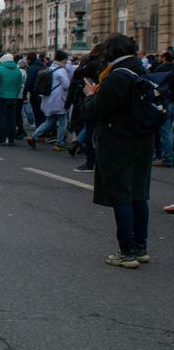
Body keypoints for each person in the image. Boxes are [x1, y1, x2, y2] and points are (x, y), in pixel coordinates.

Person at [83, 34, 154, 269]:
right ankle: (141, 247)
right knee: (138, 194)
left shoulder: (116, 77)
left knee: (121, 196)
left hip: (118, 142)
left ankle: (127, 251)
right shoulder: (141, 70)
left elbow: (97, 111)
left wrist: (91, 96)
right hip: (142, 140)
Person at [26, 50, 71, 151]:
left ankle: (33, 136)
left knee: (49, 120)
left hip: (48, 98)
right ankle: (59, 143)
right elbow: (66, 85)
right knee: (63, 120)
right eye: (66, 59)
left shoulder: (50, 68)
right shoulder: (61, 70)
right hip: (58, 100)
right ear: (63, 59)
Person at [0, 53, 24, 146]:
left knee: (1, 118)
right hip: (13, 97)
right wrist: (15, 95)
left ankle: (2, 139)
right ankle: (11, 139)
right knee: (11, 119)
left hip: (1, 97)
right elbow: (19, 85)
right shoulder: (17, 71)